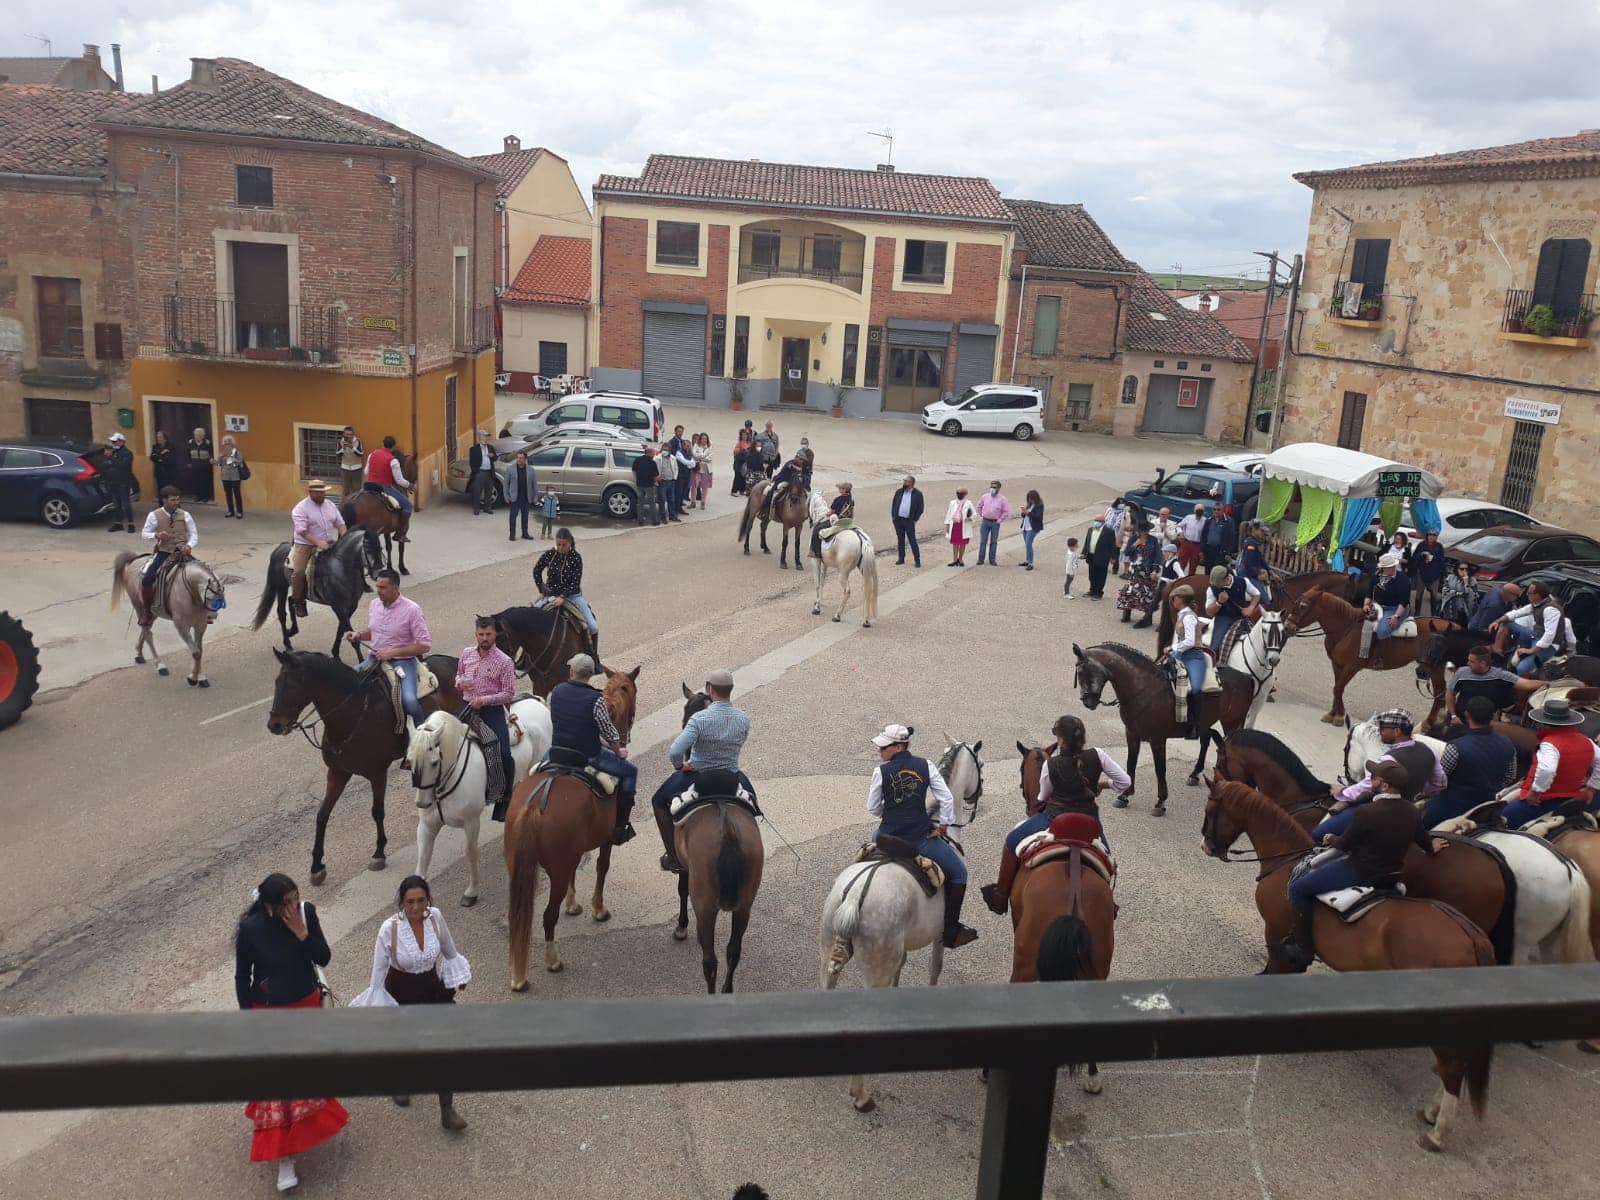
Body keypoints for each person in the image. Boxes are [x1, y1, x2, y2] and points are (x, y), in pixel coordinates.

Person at [235, 872, 348, 1193]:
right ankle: (285, 1157)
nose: (293, 905)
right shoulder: (251, 929)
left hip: (306, 1007)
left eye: (295, 897)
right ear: (270, 907)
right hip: (269, 1014)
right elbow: (242, 977)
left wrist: (302, 933)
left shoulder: (306, 915)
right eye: (286, 903)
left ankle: (299, 1137)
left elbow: (323, 956)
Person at [1277, 759, 1436, 970]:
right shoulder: (1412, 811)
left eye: (1375, 777)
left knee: (1299, 889)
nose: (1371, 779)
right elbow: (1424, 842)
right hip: (1393, 873)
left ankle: (1303, 948)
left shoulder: (1368, 812)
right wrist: (1434, 846)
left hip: (1360, 871)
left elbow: (1344, 845)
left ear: (1385, 786)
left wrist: (1330, 837)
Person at [350, 876, 472, 1131]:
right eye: (410, 902)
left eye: (421, 901)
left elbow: (449, 951)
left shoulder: (436, 918)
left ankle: (447, 1109)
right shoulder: (389, 929)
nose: (416, 908)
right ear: (401, 902)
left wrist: (458, 977)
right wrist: (377, 1006)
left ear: (428, 899)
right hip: (401, 992)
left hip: (431, 990)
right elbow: (378, 975)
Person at [981, 715, 1129, 914]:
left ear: (1061, 740)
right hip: (1090, 822)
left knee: (1011, 841)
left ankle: (1000, 897)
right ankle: (1107, 903)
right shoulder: (1098, 755)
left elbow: (1042, 796)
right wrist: (1103, 783)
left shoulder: (1050, 765)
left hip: (1054, 818)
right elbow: (1125, 782)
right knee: (1108, 862)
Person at [866, 723, 978, 948]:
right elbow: (946, 799)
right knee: (959, 873)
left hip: (886, 835)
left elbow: (873, 808)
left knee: (866, 852)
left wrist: (891, 814)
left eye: (884, 747)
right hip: (918, 839)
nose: (880, 751)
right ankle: (950, 931)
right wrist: (944, 825)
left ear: (898, 747)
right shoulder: (925, 765)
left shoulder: (881, 771)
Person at [653, 668, 752, 873]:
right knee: (753, 804)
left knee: (658, 801)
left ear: (710, 689)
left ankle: (673, 857)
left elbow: (675, 751)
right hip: (732, 775)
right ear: (730, 690)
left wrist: (681, 766)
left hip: (699, 774)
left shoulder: (699, 720)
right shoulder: (743, 718)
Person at [1312, 708, 1444, 843]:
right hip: (1409, 808)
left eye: (1382, 728)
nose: (1378, 731)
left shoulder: (1389, 759)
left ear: (1397, 732)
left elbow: (1367, 786)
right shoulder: (1429, 750)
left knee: (1318, 833)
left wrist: (1342, 792)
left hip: (1381, 810)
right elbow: (1438, 783)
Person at [549, 653, 639, 844]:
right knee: (632, 772)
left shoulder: (557, 691)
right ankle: (621, 824)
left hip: (557, 750)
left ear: (571, 671)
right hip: (588, 755)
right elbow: (609, 733)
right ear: (590, 675)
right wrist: (618, 751)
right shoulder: (596, 699)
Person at [344, 569, 431, 732]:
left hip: (403, 662)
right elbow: (374, 631)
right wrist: (359, 635)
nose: (378, 591)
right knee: (345, 684)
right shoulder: (374, 605)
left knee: (410, 700)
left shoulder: (412, 610)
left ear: (396, 588)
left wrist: (391, 653)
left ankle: (424, 735)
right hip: (374, 659)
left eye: (383, 588)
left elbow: (424, 645)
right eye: (377, 586)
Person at [1424, 696, 1519, 827]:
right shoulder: (1508, 743)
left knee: (1419, 827)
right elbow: (1510, 776)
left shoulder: (1455, 747)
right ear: (1492, 716)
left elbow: (1440, 780)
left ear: (1467, 714)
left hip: (1450, 807)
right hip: (1486, 807)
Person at [1503, 698, 1599, 828]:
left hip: (1545, 800)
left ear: (1545, 722)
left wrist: (1536, 792)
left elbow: (1547, 770)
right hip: (1574, 797)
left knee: (1504, 818)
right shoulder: (1587, 741)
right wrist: (1592, 788)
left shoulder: (1550, 744)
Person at [458, 616, 517, 803]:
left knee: (505, 754)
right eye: (481, 634)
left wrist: (483, 700)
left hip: (492, 711)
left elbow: (508, 694)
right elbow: (458, 674)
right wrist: (459, 683)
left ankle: (506, 797)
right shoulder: (466, 653)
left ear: (495, 634)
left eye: (488, 634)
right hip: (467, 709)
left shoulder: (504, 661)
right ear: (476, 634)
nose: (485, 638)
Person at [138, 485, 198, 625]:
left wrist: (189, 545)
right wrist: (156, 535)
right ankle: (147, 611)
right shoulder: (154, 515)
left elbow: (194, 534)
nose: (176, 502)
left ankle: (202, 610)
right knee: (147, 579)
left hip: (182, 552)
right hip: (164, 552)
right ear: (164, 500)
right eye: (173, 500)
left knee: (201, 576)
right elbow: (144, 534)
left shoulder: (185, 515)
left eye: (177, 499)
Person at [1493, 581, 1577, 678]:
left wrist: (1531, 650)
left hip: (1543, 646)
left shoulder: (1551, 612)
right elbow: (1517, 613)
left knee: (1521, 668)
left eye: (1530, 593)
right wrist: (1498, 620)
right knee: (1508, 622)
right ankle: (1509, 650)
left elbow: (1549, 636)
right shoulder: (1536, 607)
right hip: (1534, 637)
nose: (1527, 595)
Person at [289, 480, 346, 618]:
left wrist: (345, 537)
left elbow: (340, 523)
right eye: (318, 493)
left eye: (323, 492)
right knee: (299, 572)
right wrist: (318, 542)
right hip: (305, 544)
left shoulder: (330, 505)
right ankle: (298, 600)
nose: (322, 495)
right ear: (310, 493)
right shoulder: (300, 508)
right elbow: (302, 531)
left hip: (328, 542)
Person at [532, 529, 597, 649]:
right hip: (550, 595)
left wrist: (563, 596)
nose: (560, 548)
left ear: (570, 543)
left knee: (593, 626)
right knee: (531, 621)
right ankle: (525, 658)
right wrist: (541, 589)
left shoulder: (576, 558)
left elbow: (575, 582)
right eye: (558, 544)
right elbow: (537, 570)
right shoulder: (550, 554)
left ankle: (594, 657)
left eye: (564, 545)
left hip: (572, 596)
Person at [1161, 585, 1208, 739]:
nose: (1173, 600)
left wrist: (1172, 647)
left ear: (1180, 599)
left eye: (1174, 598)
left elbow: (1189, 641)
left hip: (1194, 656)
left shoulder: (1188, 617)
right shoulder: (1182, 614)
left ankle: (1195, 724)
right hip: (1181, 654)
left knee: (1194, 688)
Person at [1446, 645, 1519, 725]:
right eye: (1468, 660)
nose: (1468, 663)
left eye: (1471, 661)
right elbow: (1449, 693)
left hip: (1486, 725)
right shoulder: (1461, 672)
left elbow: (1507, 707)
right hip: (1460, 721)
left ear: (1483, 663)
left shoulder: (1500, 676)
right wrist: (1453, 716)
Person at [1359, 552, 1411, 663]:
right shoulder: (1376, 576)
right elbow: (1369, 592)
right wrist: (1366, 605)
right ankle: (1364, 653)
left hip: (1396, 608)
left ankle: (1382, 657)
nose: (1391, 568)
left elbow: (1404, 602)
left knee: (1382, 630)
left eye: (1392, 566)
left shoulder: (1403, 579)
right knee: (1366, 625)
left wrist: (1396, 616)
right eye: (1387, 567)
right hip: (1379, 606)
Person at [1205, 563, 1262, 654]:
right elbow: (1208, 612)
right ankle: (1213, 662)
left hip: (1242, 616)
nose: (1216, 585)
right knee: (1215, 646)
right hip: (1224, 617)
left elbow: (1257, 594)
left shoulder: (1243, 581)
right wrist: (1219, 602)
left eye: (1218, 583)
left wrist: (1250, 608)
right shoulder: (1211, 590)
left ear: (1226, 578)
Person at [1117, 526, 1161, 628]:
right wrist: (1135, 545)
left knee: (1147, 594)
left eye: (1146, 530)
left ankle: (1148, 618)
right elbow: (1127, 552)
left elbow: (1157, 556)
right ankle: (1126, 613)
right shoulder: (1133, 539)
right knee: (1129, 591)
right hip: (1134, 570)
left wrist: (1155, 571)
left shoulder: (1153, 540)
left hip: (1147, 571)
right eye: (1143, 530)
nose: (1145, 532)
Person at [364, 436, 414, 513]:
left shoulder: (371, 454)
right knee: (408, 506)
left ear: (382, 444)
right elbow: (399, 481)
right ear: (394, 447)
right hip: (384, 488)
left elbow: (366, 472)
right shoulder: (393, 461)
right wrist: (409, 485)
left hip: (369, 486)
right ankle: (402, 525)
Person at [103, 431, 136, 532]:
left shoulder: (127, 453)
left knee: (126, 504)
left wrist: (111, 457)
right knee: (116, 504)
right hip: (113, 481)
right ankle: (118, 524)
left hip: (123, 482)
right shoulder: (113, 452)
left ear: (122, 442)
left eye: (115, 441)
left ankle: (131, 524)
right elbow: (106, 465)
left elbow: (122, 465)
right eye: (112, 442)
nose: (113, 444)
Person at [1236, 519, 1276, 605]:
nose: (1263, 533)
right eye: (1261, 530)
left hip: (1249, 571)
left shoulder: (1252, 542)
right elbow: (1247, 564)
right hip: (1247, 573)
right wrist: (1257, 576)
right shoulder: (1251, 543)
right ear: (1254, 529)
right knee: (1265, 602)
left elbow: (1260, 559)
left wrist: (1270, 571)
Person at [757, 453, 806, 522]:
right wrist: (798, 469)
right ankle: (763, 510)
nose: (802, 461)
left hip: (791, 483)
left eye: (803, 460)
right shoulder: (790, 462)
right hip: (781, 480)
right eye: (801, 459)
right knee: (771, 493)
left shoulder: (801, 465)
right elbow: (791, 466)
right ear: (796, 458)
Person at [811, 481, 854, 557]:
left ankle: (816, 552)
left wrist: (827, 514)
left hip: (838, 521)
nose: (839, 489)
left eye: (840, 488)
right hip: (848, 522)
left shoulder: (838, 499)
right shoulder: (851, 499)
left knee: (817, 529)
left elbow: (831, 512)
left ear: (844, 490)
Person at [1410, 530, 1447, 617]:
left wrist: (1444, 574)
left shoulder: (1439, 546)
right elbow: (1414, 558)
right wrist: (1421, 554)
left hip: (1435, 574)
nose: (1431, 537)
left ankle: (1433, 614)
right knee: (1419, 594)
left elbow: (1442, 560)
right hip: (1422, 573)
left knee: (1434, 595)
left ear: (1436, 537)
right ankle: (1417, 613)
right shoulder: (1421, 545)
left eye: (1434, 535)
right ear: (1427, 536)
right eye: (1430, 535)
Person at [503, 449, 536, 541]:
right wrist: (506, 496)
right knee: (513, 516)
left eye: (521, 458)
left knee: (525, 516)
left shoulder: (531, 470)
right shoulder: (510, 469)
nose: (519, 460)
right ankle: (512, 534)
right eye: (518, 458)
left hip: (526, 497)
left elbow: (534, 484)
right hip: (515, 497)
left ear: (525, 459)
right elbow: (506, 484)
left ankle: (525, 533)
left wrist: (535, 496)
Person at [974, 481, 1010, 566]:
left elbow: (1005, 512)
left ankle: (992, 559)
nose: (992, 489)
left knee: (993, 541)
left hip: (995, 523)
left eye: (994, 487)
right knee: (983, 541)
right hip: (985, 521)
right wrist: (981, 514)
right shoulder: (985, 496)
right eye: (991, 487)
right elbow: (979, 506)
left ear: (998, 488)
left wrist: (999, 520)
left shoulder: (1002, 499)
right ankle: (981, 559)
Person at [891, 475, 924, 567]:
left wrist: (914, 519)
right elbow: (894, 504)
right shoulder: (899, 492)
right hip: (898, 520)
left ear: (911, 483)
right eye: (904, 481)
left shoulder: (918, 494)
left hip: (909, 521)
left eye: (906, 481)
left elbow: (920, 508)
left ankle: (917, 560)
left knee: (912, 540)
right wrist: (894, 517)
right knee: (900, 540)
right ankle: (901, 558)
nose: (904, 483)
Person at [1082, 514, 1117, 600]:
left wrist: (1113, 557)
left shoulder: (1109, 531)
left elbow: (1112, 545)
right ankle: (1092, 590)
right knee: (1092, 575)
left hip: (1102, 557)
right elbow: (1087, 542)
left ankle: (1098, 593)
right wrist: (1084, 552)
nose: (1096, 522)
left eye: (1098, 521)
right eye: (1095, 520)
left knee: (1100, 575)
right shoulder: (1090, 530)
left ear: (1103, 522)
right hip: (1091, 556)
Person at [944, 487, 976, 566]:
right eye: (958, 493)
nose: (959, 495)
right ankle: (954, 560)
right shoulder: (952, 503)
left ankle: (960, 559)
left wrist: (970, 518)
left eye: (961, 493)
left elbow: (974, 513)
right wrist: (947, 525)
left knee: (962, 544)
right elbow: (948, 514)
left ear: (965, 494)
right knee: (955, 543)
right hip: (954, 525)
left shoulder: (968, 503)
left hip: (964, 525)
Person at [468, 429, 498, 515]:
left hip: (489, 472)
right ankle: (476, 508)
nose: (486, 438)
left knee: (489, 490)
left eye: (487, 436)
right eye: (485, 436)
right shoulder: (473, 449)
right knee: (478, 491)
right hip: (480, 472)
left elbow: (495, 458)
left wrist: (492, 456)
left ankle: (487, 507)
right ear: (480, 437)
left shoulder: (490, 447)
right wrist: (476, 472)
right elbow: (472, 462)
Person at [218, 434, 247, 519]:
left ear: (232, 444)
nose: (227, 445)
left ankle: (239, 511)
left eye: (228, 443)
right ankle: (230, 511)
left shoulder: (237, 453)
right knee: (228, 494)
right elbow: (219, 464)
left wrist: (229, 459)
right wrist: (219, 459)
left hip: (235, 477)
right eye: (225, 443)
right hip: (225, 476)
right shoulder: (222, 453)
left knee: (237, 494)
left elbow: (239, 463)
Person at [1202, 503, 1237, 572]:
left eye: (1218, 509)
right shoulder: (1209, 520)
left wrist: (1228, 553)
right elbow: (1204, 535)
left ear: (1223, 510)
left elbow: (1232, 538)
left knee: (1217, 572)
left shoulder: (1228, 521)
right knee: (1207, 571)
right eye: (1214, 509)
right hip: (1209, 550)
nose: (1216, 511)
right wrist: (1202, 550)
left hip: (1220, 552)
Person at [631, 445, 661, 526]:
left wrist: (637, 479)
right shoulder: (652, 463)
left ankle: (640, 521)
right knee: (652, 503)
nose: (654, 454)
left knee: (640, 503)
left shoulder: (637, 460)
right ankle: (654, 521)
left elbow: (633, 471)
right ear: (650, 452)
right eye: (653, 452)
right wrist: (659, 481)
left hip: (639, 485)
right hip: (649, 486)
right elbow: (656, 477)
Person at [1438, 561, 1475, 625]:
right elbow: (1445, 591)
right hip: (1448, 606)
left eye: (1466, 569)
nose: (1464, 571)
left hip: (1462, 609)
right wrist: (1459, 593)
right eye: (1462, 569)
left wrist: (1466, 582)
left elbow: (1470, 595)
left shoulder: (1472, 580)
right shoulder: (1450, 577)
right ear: (1457, 569)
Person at [1177, 503, 1207, 574]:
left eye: (1201, 510)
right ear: (1194, 510)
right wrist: (1180, 532)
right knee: (1181, 564)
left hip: (1197, 545)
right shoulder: (1188, 517)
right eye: (1197, 510)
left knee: (1193, 566)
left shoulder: (1205, 521)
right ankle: (1178, 580)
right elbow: (1178, 526)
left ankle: (1189, 581)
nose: (1199, 511)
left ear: (1203, 511)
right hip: (1186, 543)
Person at [186, 426, 215, 503]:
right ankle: (197, 496)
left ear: (203, 435)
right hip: (194, 464)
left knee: (204, 481)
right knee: (196, 481)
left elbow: (211, 452)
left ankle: (205, 496)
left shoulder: (207, 443)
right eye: (196, 435)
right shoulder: (190, 442)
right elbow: (187, 453)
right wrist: (188, 462)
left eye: (199, 435)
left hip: (205, 464)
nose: (197, 436)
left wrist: (211, 458)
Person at [1018, 490, 1044, 570]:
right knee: (1027, 545)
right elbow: (1025, 515)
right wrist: (1023, 512)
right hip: (1025, 526)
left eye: (1031, 499)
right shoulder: (1029, 505)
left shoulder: (1039, 505)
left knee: (1029, 544)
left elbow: (1038, 517)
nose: (1030, 500)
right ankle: (1028, 560)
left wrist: (1028, 513)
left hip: (1032, 528)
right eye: (1029, 499)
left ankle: (1031, 563)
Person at [337, 426, 365, 500]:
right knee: (345, 489)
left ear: (353, 434)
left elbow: (361, 454)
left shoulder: (358, 441)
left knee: (357, 489)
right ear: (344, 434)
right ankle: (344, 506)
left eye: (350, 434)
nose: (349, 436)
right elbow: (338, 454)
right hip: (345, 468)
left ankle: (356, 506)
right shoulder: (340, 441)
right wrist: (343, 448)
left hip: (356, 468)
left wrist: (352, 447)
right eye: (347, 434)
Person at [656, 440, 681, 524]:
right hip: (662, 482)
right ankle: (663, 517)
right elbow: (654, 469)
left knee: (671, 499)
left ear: (669, 450)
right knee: (662, 500)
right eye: (663, 449)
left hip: (671, 481)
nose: (664, 451)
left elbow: (676, 468)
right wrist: (657, 477)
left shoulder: (673, 458)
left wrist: (675, 478)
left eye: (666, 450)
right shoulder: (657, 458)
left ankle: (672, 516)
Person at [1103, 498, 1128, 577]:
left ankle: (1115, 568)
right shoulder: (1110, 510)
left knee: (1116, 552)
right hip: (1108, 533)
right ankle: (1105, 566)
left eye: (1123, 503)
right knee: (1106, 551)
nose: (1121, 505)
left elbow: (1125, 526)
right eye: (1120, 503)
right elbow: (1105, 520)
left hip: (1117, 535)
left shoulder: (1125, 513)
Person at [673, 437, 697, 517]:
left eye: (689, 446)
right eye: (687, 446)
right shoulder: (678, 452)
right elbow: (684, 461)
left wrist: (689, 463)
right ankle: (675, 510)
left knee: (683, 493)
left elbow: (694, 464)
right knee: (678, 493)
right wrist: (689, 463)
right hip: (680, 476)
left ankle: (680, 508)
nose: (688, 447)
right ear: (683, 446)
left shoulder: (690, 453)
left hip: (687, 475)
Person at [691, 432, 712, 508]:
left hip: (706, 468)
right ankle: (693, 501)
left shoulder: (709, 447)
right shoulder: (696, 446)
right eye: (703, 438)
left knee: (705, 486)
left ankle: (703, 502)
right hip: (697, 467)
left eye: (706, 438)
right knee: (694, 485)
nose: (704, 440)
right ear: (700, 439)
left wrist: (700, 457)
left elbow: (710, 458)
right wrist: (703, 457)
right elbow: (694, 455)